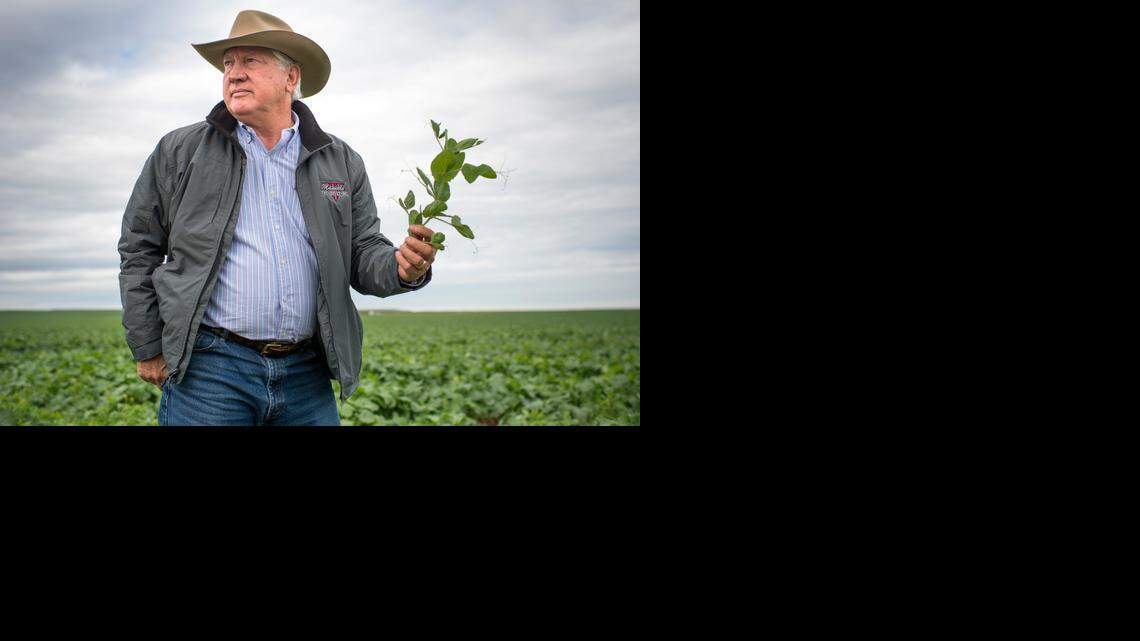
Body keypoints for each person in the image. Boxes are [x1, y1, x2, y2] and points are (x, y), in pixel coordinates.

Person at [117, 10, 437, 425]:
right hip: (210, 370)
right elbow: (139, 248)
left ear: (290, 78)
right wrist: (147, 344)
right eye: (229, 63)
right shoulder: (180, 151)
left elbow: (361, 252)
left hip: (306, 372)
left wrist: (402, 269)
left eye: (251, 61)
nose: (234, 74)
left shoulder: (340, 160)